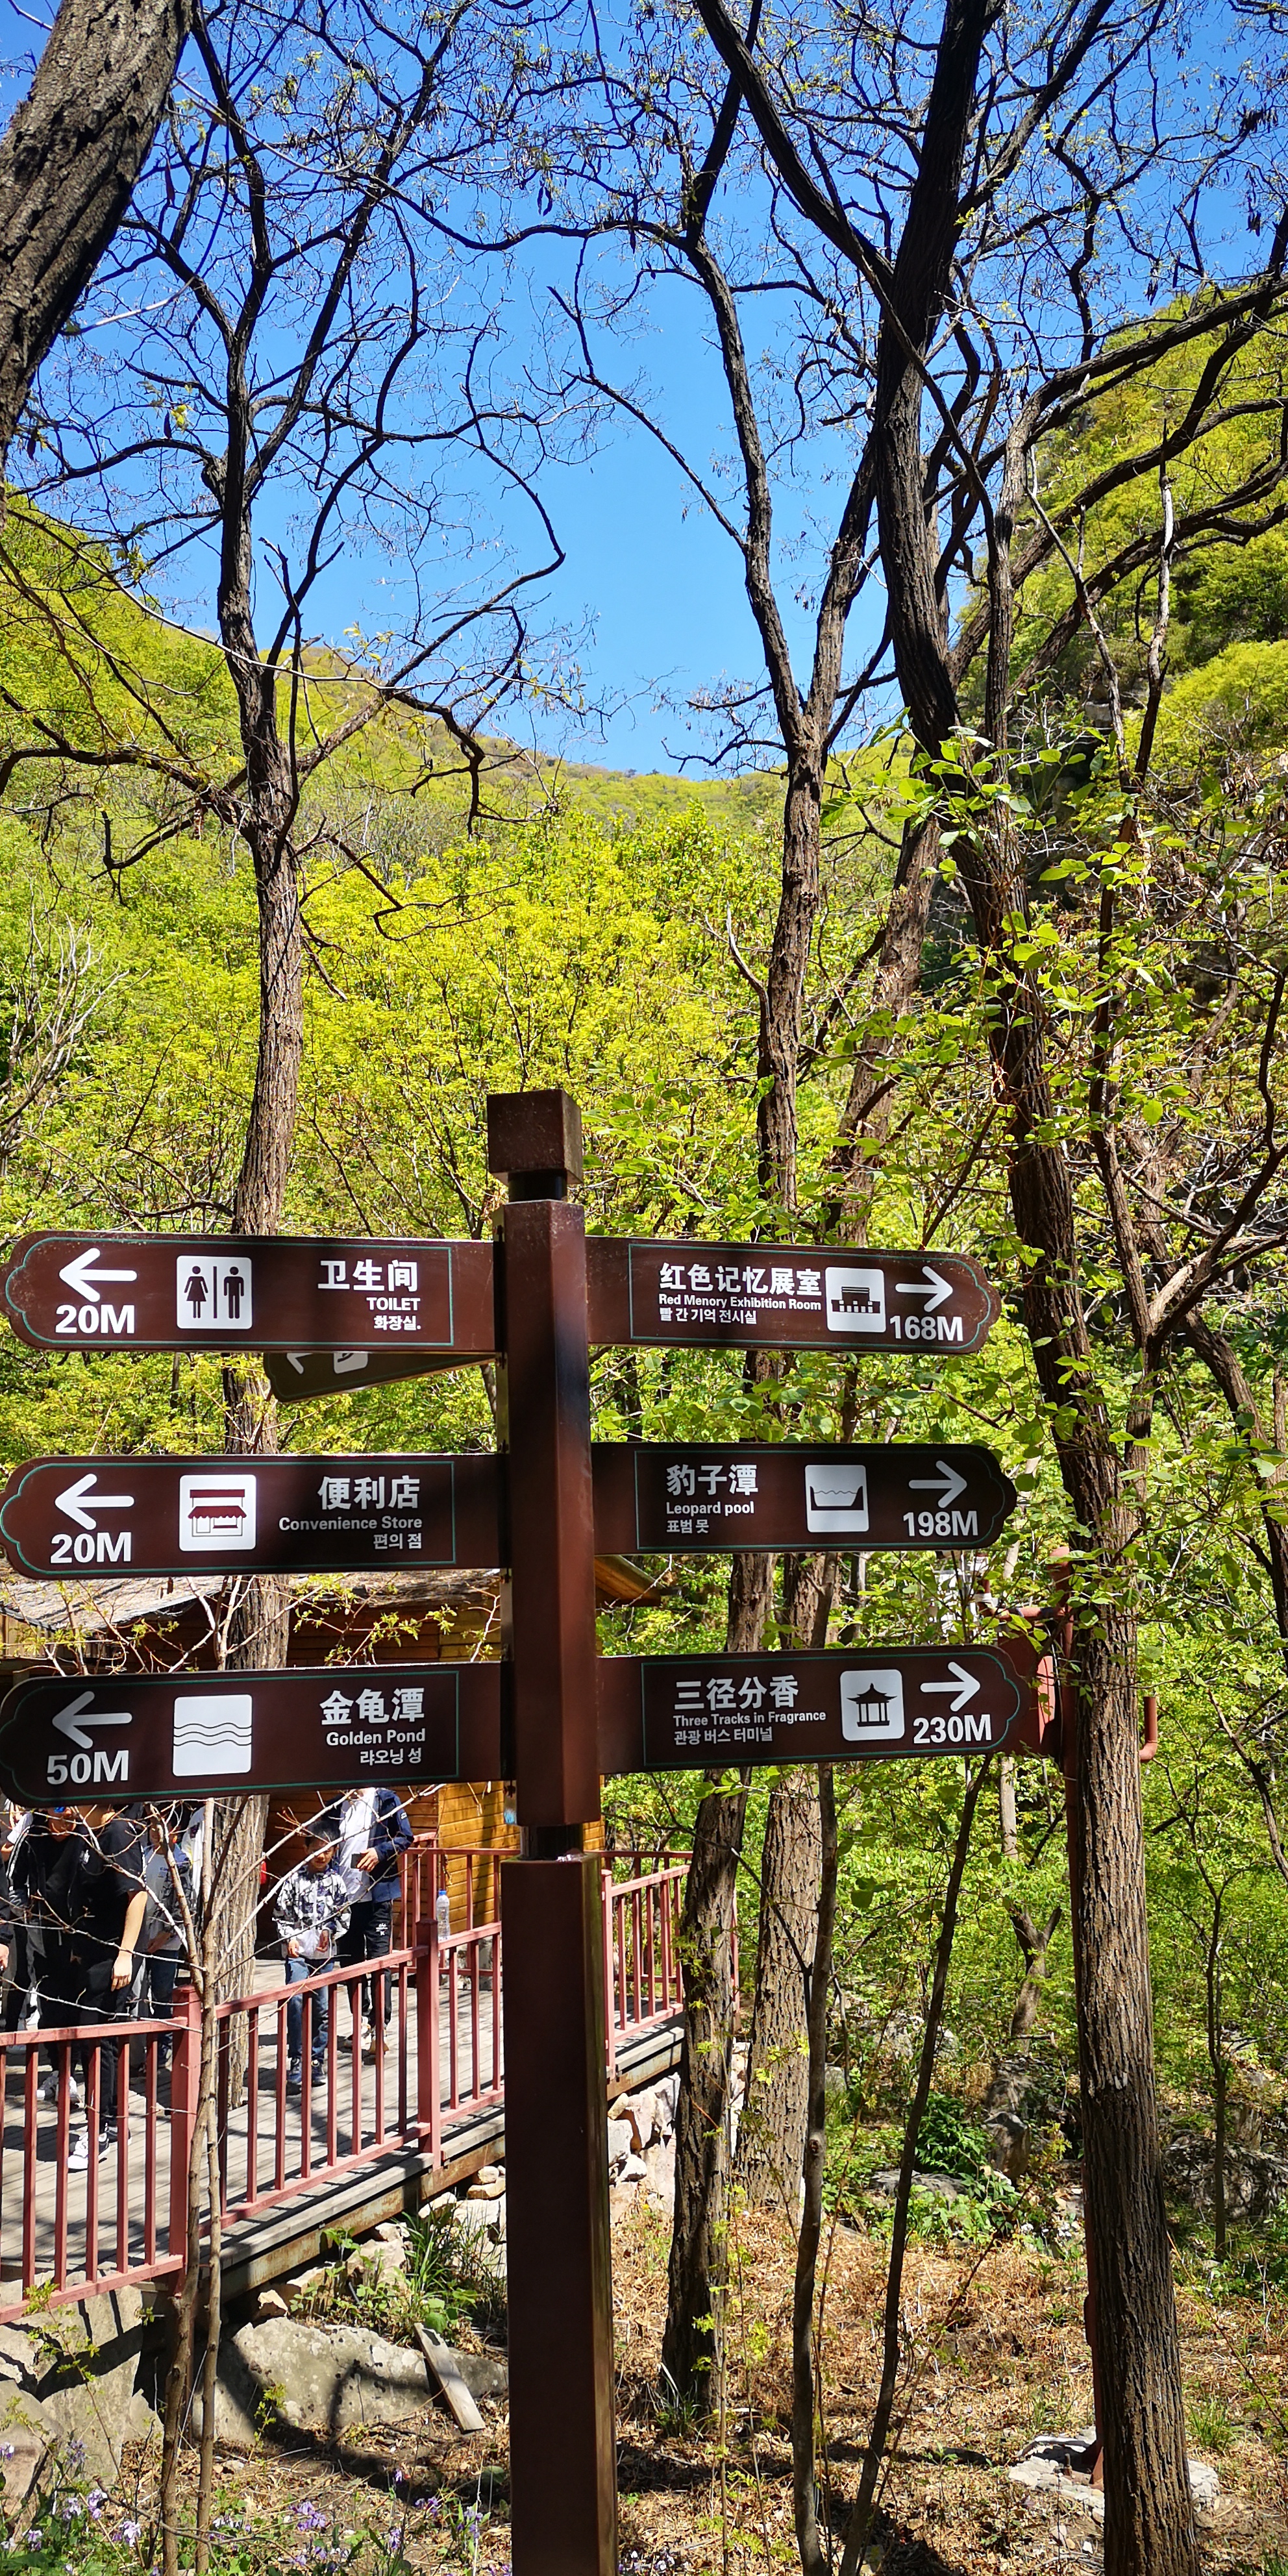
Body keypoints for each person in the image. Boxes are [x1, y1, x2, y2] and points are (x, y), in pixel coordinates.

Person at [19, 1803, 147, 2169]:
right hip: (88, 1955)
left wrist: (125, 1955)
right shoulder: (87, 1835)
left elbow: (136, 1896)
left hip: (112, 1957)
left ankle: (99, 2130)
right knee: (97, 2040)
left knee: (97, 2041)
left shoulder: (119, 1832)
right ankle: (115, 2119)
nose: (70, 1808)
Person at [317, 1785, 412, 2052]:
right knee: (351, 1964)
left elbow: (406, 1837)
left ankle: (379, 2030)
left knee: (379, 1962)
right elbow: (322, 1845)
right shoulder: (336, 1806)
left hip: (377, 1894)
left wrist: (379, 1853)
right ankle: (361, 2022)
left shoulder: (385, 1800)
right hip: (344, 1900)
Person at [273, 1819, 350, 2091]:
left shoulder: (337, 1883)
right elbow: (280, 1915)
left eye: (327, 1850)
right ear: (306, 1848)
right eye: (316, 1849)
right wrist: (289, 1937)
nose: (321, 1855)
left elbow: (344, 1915)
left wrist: (332, 1930)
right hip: (298, 1953)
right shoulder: (293, 1880)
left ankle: (316, 2059)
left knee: (323, 2009)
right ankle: (297, 2058)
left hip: (325, 1956)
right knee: (295, 2002)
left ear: (334, 1852)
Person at [140, 1806, 193, 2075]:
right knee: (138, 1994)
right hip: (141, 1937)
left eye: (161, 1828)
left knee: (162, 1994)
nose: (155, 1834)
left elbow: (186, 1906)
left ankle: (161, 2049)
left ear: (174, 1832)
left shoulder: (181, 1862)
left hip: (166, 1941)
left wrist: (165, 1935)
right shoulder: (144, 1857)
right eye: (152, 1828)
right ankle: (139, 2050)